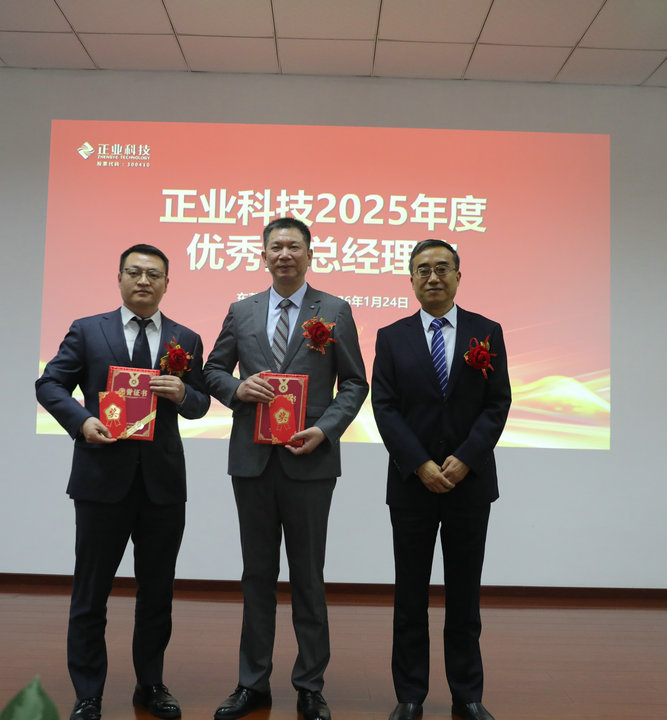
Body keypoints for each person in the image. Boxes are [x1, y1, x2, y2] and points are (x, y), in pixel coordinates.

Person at [35, 244, 211, 720]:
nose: (143, 280)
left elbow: (200, 404)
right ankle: (88, 692)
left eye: (154, 274)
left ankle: (150, 684)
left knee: (158, 592)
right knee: (91, 592)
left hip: (162, 485)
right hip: (101, 480)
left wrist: (183, 393)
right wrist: (81, 421)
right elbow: (49, 384)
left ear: (167, 283)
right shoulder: (88, 330)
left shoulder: (185, 338)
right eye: (134, 272)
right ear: (119, 278)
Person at [204, 217, 369, 720]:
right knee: (256, 574)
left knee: (308, 576)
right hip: (252, 463)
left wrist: (326, 429)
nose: (284, 254)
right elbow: (212, 370)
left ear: (309, 254)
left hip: (309, 461)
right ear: (263, 255)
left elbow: (355, 383)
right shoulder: (242, 311)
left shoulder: (334, 310)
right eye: (275, 246)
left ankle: (310, 685)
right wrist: (237, 389)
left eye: (294, 246)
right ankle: (252, 682)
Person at [370, 239, 512, 720]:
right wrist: (420, 464)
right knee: (410, 594)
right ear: (411, 280)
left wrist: (466, 458)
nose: (433, 277)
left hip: (469, 485)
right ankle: (410, 694)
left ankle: (467, 694)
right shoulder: (392, 337)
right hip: (412, 485)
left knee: (464, 595)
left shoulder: (485, 332)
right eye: (423, 270)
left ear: (458, 276)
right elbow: (384, 407)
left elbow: (497, 403)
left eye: (442, 268)